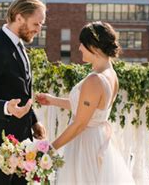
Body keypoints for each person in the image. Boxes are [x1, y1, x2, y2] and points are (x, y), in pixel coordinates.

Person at [36, 21, 135, 184]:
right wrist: (53, 101)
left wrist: (50, 149)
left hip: (85, 146)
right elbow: (89, 109)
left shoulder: (95, 80)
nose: (79, 48)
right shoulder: (110, 74)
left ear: (94, 46)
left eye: (82, 44)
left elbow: (80, 123)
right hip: (97, 140)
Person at [0, 0, 47, 185]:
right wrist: (6, 107)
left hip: (23, 140)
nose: (39, 29)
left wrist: (33, 121)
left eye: (41, 24)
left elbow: (20, 92)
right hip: (1, 143)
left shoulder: (18, 44)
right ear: (19, 17)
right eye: (36, 24)